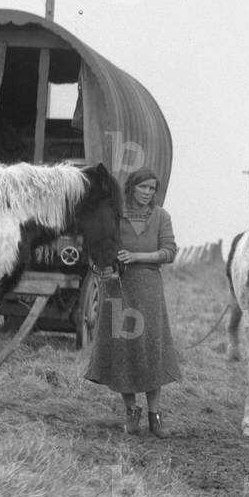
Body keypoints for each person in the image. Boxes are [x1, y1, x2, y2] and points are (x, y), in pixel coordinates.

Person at [85, 168, 182, 436]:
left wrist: (138, 256)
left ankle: (156, 415)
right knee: (123, 349)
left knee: (151, 347)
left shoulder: (162, 217)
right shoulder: (115, 215)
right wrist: (101, 265)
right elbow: (98, 246)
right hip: (118, 287)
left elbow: (169, 252)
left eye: (152, 189)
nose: (147, 193)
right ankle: (131, 412)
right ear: (132, 188)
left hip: (149, 288)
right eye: (143, 188)